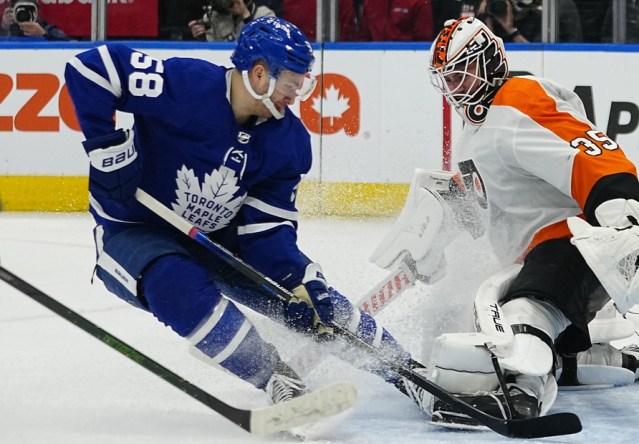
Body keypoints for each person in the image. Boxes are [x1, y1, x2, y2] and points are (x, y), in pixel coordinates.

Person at [63, 16, 417, 426]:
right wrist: (106, 149)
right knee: (175, 284)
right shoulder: (186, 84)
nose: (295, 95)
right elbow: (91, 67)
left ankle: (411, 374)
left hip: (220, 239)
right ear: (260, 74)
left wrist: (302, 280)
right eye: (291, 84)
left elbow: (265, 231)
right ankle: (277, 379)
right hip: (137, 230)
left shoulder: (289, 141)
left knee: (312, 303)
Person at [369, 17, 639, 427]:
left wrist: (622, 206)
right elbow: (485, 208)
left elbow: (587, 152)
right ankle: (609, 360)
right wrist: (432, 239)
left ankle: (521, 395)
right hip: (534, 256)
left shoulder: (516, 99)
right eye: (448, 80)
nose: (455, 90)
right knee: (463, 330)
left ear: (490, 62)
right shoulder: (473, 135)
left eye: (462, 76)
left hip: (578, 240)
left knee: (521, 316)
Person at [477, 0, 583, 43]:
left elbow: (534, 52)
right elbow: (487, 48)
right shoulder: (493, 17)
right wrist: (486, 17)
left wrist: (511, 30)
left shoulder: (538, 19)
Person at [188, 0, 275, 42]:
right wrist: (202, 37)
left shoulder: (265, 14)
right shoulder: (213, 17)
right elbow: (209, 52)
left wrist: (246, 16)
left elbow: (268, 45)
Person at [357, 0, 435, 41]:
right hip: (374, 61)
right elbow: (363, 37)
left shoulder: (418, 2)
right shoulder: (371, 2)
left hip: (408, 60)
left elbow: (424, 40)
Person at [0, 0, 69, 41]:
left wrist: (43, 34)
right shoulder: (7, 26)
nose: (24, 14)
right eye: (20, 9)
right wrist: (3, 28)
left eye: (29, 9)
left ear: (36, 11)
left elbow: (68, 43)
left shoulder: (43, 26)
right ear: (12, 10)